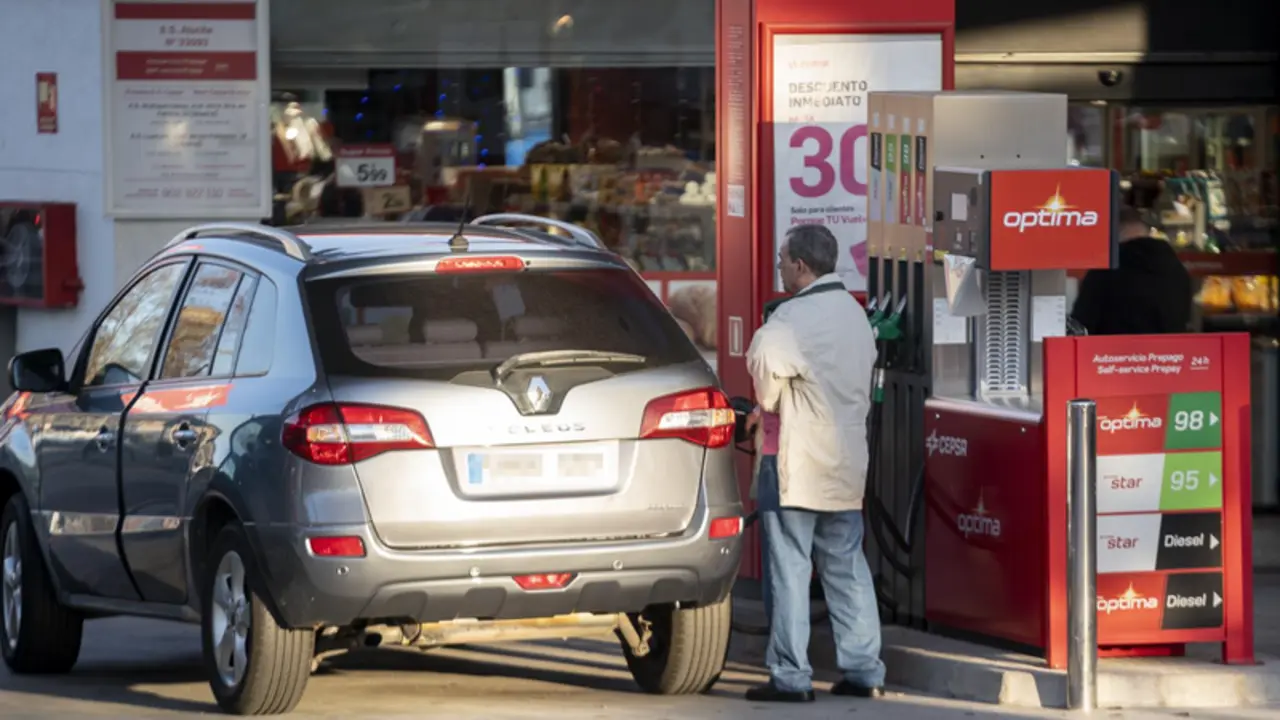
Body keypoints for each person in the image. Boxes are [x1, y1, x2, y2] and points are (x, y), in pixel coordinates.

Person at [744, 224, 884, 703]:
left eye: (783, 259)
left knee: (789, 570)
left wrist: (774, 397)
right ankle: (865, 670)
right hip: (846, 462)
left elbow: (766, 390)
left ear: (800, 266)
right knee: (846, 566)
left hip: (794, 463)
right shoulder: (855, 315)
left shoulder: (788, 321)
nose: (780, 267)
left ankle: (790, 676)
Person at [1069, 206, 1193, 335]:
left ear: (1112, 232)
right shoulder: (1176, 269)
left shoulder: (1105, 272)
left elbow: (1081, 326)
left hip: (1114, 353)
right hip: (1173, 353)